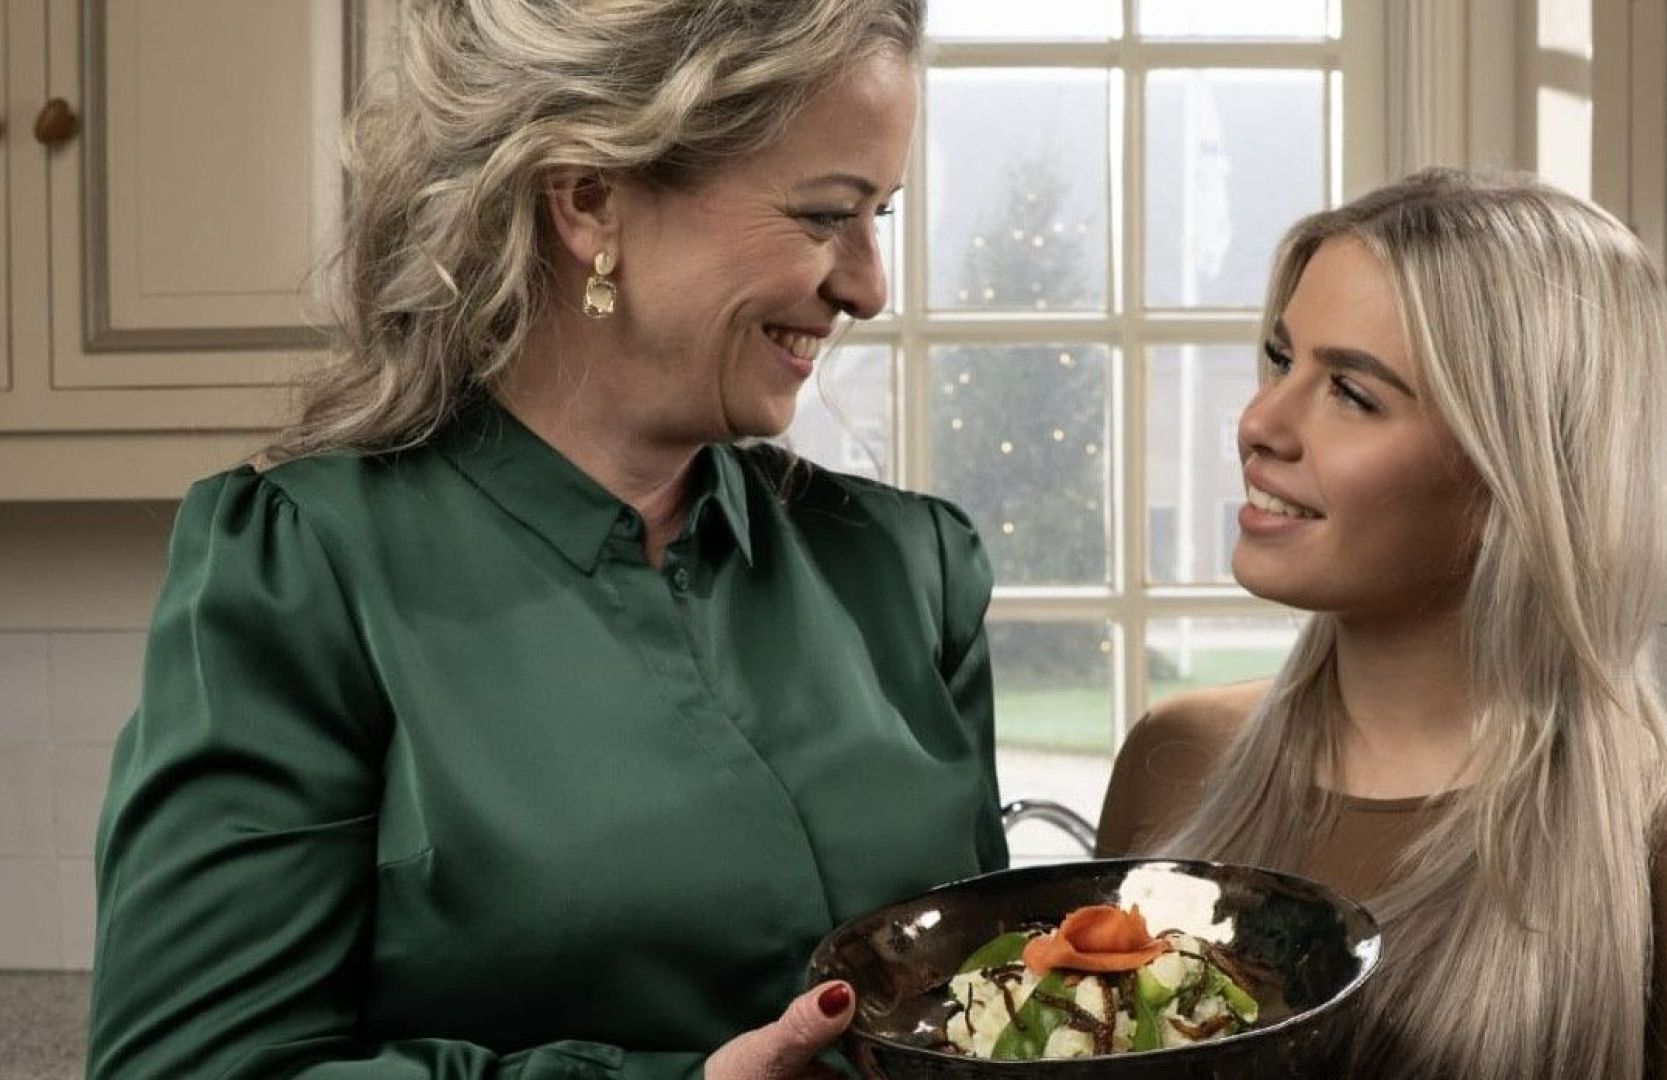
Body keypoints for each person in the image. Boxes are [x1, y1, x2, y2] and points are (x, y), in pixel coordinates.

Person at [87, 2, 1007, 1077]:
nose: (868, 286)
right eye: (822, 216)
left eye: (880, 217)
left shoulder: (907, 571)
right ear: (590, 202)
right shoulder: (311, 568)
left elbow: (982, 1008)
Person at [1096, 170, 1667, 1079]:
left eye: (1352, 392)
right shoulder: (1176, 761)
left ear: (1517, 470)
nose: (1260, 423)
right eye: (1283, 360)